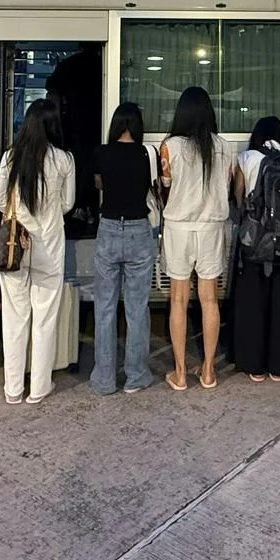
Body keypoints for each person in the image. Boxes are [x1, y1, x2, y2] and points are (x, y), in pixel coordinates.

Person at [0, 98, 76, 405]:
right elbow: (67, 204)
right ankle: (40, 387)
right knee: (45, 319)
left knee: (14, 319)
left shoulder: (10, 157)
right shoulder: (64, 159)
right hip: (49, 247)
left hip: (14, 246)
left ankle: (13, 389)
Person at [158, 86, 235, 391]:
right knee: (210, 300)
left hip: (178, 227)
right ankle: (208, 371)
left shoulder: (170, 147)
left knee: (178, 299)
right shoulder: (224, 147)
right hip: (212, 227)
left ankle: (179, 374)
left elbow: (165, 184)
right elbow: (227, 185)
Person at [90, 102, 158, 395]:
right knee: (137, 307)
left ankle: (104, 380)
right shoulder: (147, 154)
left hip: (108, 228)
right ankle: (136, 375)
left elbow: (99, 184)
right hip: (138, 231)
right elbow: (154, 187)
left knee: (104, 307)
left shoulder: (101, 153)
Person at [231, 116, 280, 382]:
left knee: (253, 302)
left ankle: (254, 365)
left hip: (257, 241)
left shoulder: (247, 158)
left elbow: (239, 196)